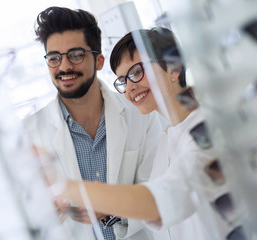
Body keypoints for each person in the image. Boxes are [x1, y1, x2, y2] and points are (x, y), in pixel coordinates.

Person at [55, 27, 232, 240]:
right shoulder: (167, 139)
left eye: (137, 72)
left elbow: (164, 200)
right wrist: (107, 209)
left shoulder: (209, 129)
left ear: (173, 67)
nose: (129, 87)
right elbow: (159, 210)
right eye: (122, 81)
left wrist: (63, 186)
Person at [24, 6, 164, 240]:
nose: (64, 66)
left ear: (98, 61)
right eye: (54, 58)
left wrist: (113, 207)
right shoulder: (29, 133)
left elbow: (159, 193)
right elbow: (26, 213)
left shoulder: (140, 113)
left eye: (76, 54)